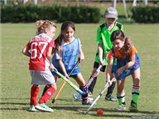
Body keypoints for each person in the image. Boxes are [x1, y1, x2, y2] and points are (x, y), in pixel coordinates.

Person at [88, 7, 124, 102]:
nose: (110, 20)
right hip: (102, 53)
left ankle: (108, 95)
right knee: (95, 71)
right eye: (108, 18)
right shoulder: (100, 28)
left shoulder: (120, 26)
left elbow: (120, 41)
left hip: (115, 54)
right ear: (105, 17)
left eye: (113, 18)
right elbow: (100, 44)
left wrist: (114, 51)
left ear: (116, 19)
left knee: (112, 75)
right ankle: (88, 92)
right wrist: (100, 57)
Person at [52, 21, 92, 105]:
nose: (69, 34)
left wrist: (81, 55)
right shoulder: (59, 44)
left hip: (72, 66)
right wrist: (65, 74)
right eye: (67, 32)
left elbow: (79, 49)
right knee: (52, 83)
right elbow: (59, 61)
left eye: (71, 32)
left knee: (82, 83)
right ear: (62, 32)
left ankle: (85, 100)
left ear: (74, 32)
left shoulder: (77, 40)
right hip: (58, 67)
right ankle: (43, 100)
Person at [22, 20, 57, 112]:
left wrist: (33, 57)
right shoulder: (50, 40)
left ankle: (32, 105)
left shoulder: (33, 39)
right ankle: (42, 103)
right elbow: (49, 54)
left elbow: (24, 51)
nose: (53, 35)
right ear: (45, 30)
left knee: (35, 84)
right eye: (53, 32)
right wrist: (51, 64)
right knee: (53, 86)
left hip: (32, 66)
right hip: (42, 65)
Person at [105, 30, 141, 112]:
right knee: (119, 86)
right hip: (120, 64)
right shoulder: (112, 51)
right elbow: (109, 66)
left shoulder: (131, 47)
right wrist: (108, 79)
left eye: (117, 43)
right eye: (113, 44)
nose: (115, 46)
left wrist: (122, 69)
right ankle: (122, 104)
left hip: (133, 63)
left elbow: (132, 61)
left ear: (123, 40)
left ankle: (133, 104)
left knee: (136, 81)